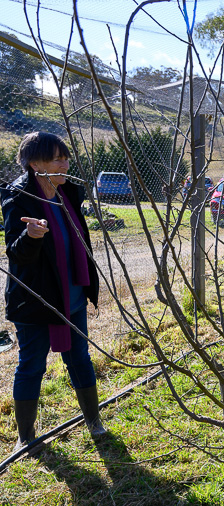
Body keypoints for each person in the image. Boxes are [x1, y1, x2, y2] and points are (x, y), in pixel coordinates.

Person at [2, 131, 106, 454]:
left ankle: (93, 421)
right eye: (57, 158)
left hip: (70, 298)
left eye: (65, 157)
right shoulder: (18, 198)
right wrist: (31, 236)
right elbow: (16, 255)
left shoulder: (66, 194)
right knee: (32, 364)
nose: (65, 163)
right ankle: (26, 437)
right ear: (36, 164)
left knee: (80, 358)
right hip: (36, 301)